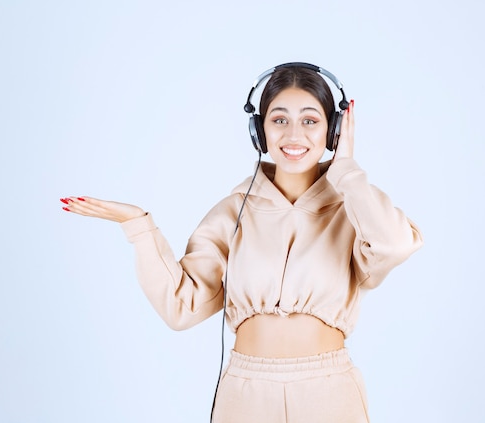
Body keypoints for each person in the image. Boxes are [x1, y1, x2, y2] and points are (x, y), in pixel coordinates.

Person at [60, 63, 423, 423]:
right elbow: (180, 307)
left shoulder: (355, 210)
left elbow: (394, 246)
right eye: (279, 120)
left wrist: (346, 169)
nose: (294, 134)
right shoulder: (233, 211)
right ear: (259, 130)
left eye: (310, 121)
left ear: (334, 131)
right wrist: (138, 226)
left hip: (328, 392)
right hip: (245, 394)